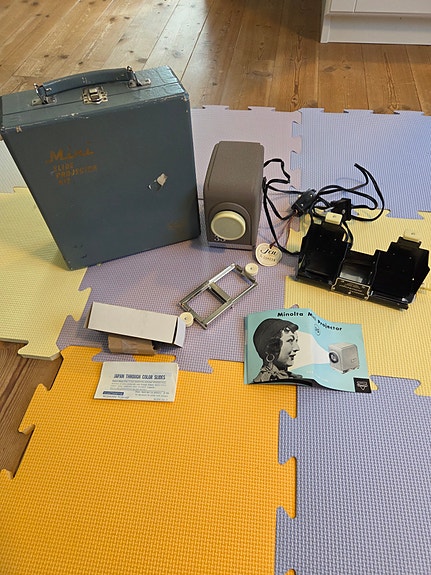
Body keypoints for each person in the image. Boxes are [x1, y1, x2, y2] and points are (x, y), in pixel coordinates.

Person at [252, 318, 302, 383]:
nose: (297, 348)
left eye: (296, 341)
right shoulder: (262, 380)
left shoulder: (293, 377)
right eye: (290, 340)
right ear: (272, 347)